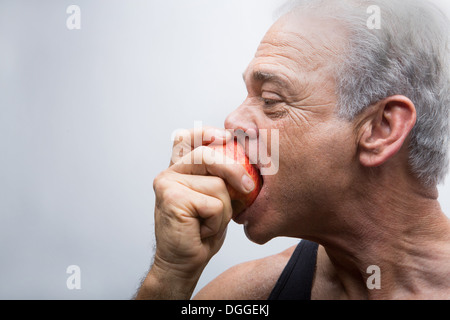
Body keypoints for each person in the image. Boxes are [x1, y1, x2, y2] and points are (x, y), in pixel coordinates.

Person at [135, 0, 450, 300]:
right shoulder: (245, 294)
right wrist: (169, 276)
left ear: (382, 129)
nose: (232, 120)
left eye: (271, 100)